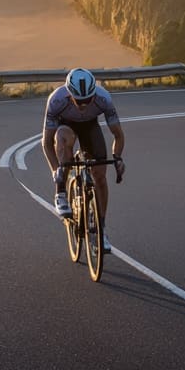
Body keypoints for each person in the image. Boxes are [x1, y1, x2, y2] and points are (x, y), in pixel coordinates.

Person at [42, 67, 125, 252]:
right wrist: (56, 171)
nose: (84, 105)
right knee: (62, 138)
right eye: (79, 101)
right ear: (70, 94)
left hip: (90, 128)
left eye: (88, 100)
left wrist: (118, 158)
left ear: (94, 94)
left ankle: (101, 230)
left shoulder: (104, 98)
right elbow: (47, 143)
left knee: (100, 177)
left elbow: (118, 135)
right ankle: (61, 193)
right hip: (67, 126)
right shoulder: (56, 100)